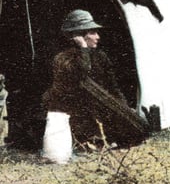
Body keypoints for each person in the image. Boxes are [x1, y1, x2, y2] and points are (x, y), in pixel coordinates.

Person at [42, 9, 128, 145]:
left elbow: (112, 86)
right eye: (92, 32)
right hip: (74, 112)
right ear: (78, 35)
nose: (97, 37)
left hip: (97, 110)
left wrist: (124, 109)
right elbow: (82, 73)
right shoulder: (63, 58)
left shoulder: (100, 57)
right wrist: (83, 47)